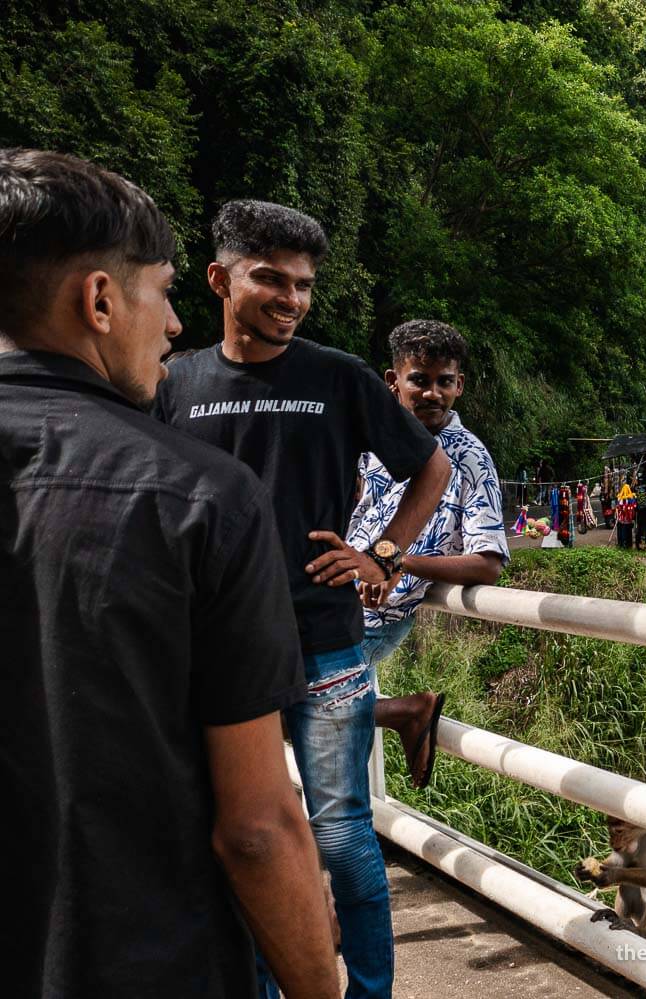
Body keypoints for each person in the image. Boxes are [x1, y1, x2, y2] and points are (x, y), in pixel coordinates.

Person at [0, 149, 340, 998]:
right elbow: (258, 828)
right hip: (138, 958)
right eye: (164, 291)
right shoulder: (200, 497)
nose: (176, 323)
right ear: (102, 301)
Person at [153, 199, 451, 999]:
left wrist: (382, 551)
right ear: (219, 278)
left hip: (322, 634)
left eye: (304, 285)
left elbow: (431, 469)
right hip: (214, 649)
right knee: (238, 834)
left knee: (343, 832)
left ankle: (372, 990)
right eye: (270, 279)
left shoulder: (338, 376)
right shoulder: (173, 383)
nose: (291, 299)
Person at [348, 320, 510, 788]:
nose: (432, 393)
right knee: (277, 705)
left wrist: (398, 563)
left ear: (460, 385)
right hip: (332, 601)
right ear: (393, 381)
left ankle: (409, 711)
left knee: (292, 709)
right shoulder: (376, 444)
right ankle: (405, 712)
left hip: (375, 618)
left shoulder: (469, 458)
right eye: (419, 379)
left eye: (444, 381)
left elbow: (488, 562)